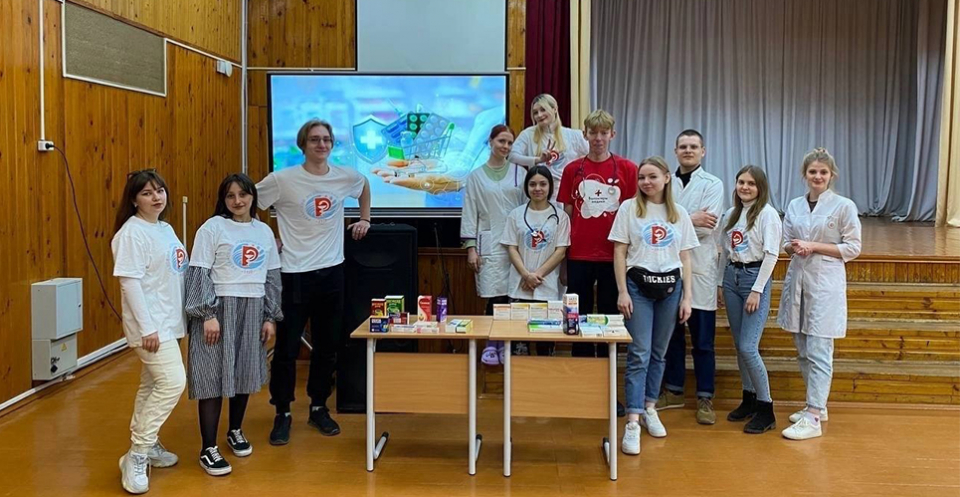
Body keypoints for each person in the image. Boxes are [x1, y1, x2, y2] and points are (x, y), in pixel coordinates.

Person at [256, 119, 372, 445]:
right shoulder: (282, 180)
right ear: (303, 144)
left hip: (332, 272)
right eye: (314, 140)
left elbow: (364, 185)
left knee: (327, 346)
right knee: (287, 348)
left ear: (332, 144)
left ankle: (318, 406)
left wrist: (365, 218)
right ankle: (282, 412)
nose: (321, 145)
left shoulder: (344, 176)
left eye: (326, 140)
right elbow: (249, 202)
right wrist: (265, 237)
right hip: (294, 273)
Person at [185, 174, 282, 475]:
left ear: (253, 196)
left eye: (243, 194)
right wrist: (207, 314)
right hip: (217, 310)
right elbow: (198, 272)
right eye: (230, 195)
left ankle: (235, 430)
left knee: (244, 372)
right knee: (211, 376)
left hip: (253, 308)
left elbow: (272, 277)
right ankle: (208, 448)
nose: (237, 201)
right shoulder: (212, 228)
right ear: (223, 200)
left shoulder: (264, 231)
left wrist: (270, 317)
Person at [609, 156, 697, 455]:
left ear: (666, 178)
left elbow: (685, 257)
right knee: (639, 353)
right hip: (638, 287)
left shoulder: (679, 213)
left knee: (659, 353)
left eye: (652, 177)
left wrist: (687, 297)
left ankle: (649, 407)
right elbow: (619, 252)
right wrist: (623, 291)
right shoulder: (629, 208)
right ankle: (633, 420)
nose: (646, 182)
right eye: (642, 177)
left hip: (670, 288)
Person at [111, 169, 187, 494]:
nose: (156, 197)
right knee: (173, 382)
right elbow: (129, 284)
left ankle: (149, 443)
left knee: (152, 384)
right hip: (152, 328)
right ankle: (137, 454)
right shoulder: (132, 233)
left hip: (170, 322)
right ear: (134, 200)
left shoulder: (164, 228)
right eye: (146, 193)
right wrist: (148, 328)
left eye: (160, 190)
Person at [557, 109, 638, 417]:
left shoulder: (628, 169)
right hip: (578, 255)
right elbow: (566, 215)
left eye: (604, 133)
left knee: (607, 324)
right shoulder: (572, 169)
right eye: (593, 132)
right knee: (576, 323)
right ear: (585, 135)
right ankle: (581, 389)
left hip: (612, 258)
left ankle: (607, 391)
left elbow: (633, 215)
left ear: (612, 135)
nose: (599, 138)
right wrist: (563, 260)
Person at [779, 148, 862, 441]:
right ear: (805, 175)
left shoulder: (843, 206)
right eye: (813, 172)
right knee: (802, 347)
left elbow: (853, 247)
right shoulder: (794, 205)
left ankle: (813, 416)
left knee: (819, 350)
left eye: (823, 172)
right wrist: (794, 247)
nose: (817, 177)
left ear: (831, 175)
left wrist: (813, 246)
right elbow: (786, 243)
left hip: (825, 284)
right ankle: (817, 405)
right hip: (799, 281)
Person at [658, 129, 724, 425]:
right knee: (672, 336)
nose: (688, 150)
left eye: (693, 146)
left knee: (703, 340)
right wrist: (689, 218)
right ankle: (673, 391)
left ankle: (705, 397)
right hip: (666, 267)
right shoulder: (663, 183)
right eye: (683, 146)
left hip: (699, 269)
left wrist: (673, 220)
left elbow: (707, 228)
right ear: (675, 151)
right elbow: (654, 223)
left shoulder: (713, 184)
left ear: (703, 151)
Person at [716, 166, 782, 434]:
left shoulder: (767, 215)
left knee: (748, 346)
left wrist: (757, 290)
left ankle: (766, 408)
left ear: (760, 187)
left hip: (754, 279)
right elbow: (724, 252)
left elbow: (772, 255)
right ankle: (749, 398)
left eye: (751, 183)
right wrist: (720, 283)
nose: (745, 187)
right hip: (732, 277)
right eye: (741, 182)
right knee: (739, 345)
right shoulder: (731, 214)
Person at [461, 124, 526, 364]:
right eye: (501, 141)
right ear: (490, 142)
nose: (505, 146)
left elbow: (527, 208)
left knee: (515, 297)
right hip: (489, 243)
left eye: (509, 143)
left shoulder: (520, 173)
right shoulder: (475, 177)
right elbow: (470, 213)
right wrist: (471, 249)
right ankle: (492, 344)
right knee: (495, 297)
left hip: (517, 244)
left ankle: (510, 344)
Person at [501, 165, 571, 356]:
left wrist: (536, 276)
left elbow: (561, 251)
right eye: (532, 184)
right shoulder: (516, 214)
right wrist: (526, 275)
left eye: (542, 184)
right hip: (520, 286)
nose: (537, 188)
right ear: (526, 187)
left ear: (550, 187)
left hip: (546, 287)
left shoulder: (561, 216)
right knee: (518, 344)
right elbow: (512, 248)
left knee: (545, 345)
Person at [509, 93, 589, 200]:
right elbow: (512, 157)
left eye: (543, 110)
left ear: (555, 109)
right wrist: (537, 160)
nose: (539, 115)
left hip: (566, 194)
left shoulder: (574, 135)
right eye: (535, 112)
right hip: (539, 195)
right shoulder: (528, 134)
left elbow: (593, 156)